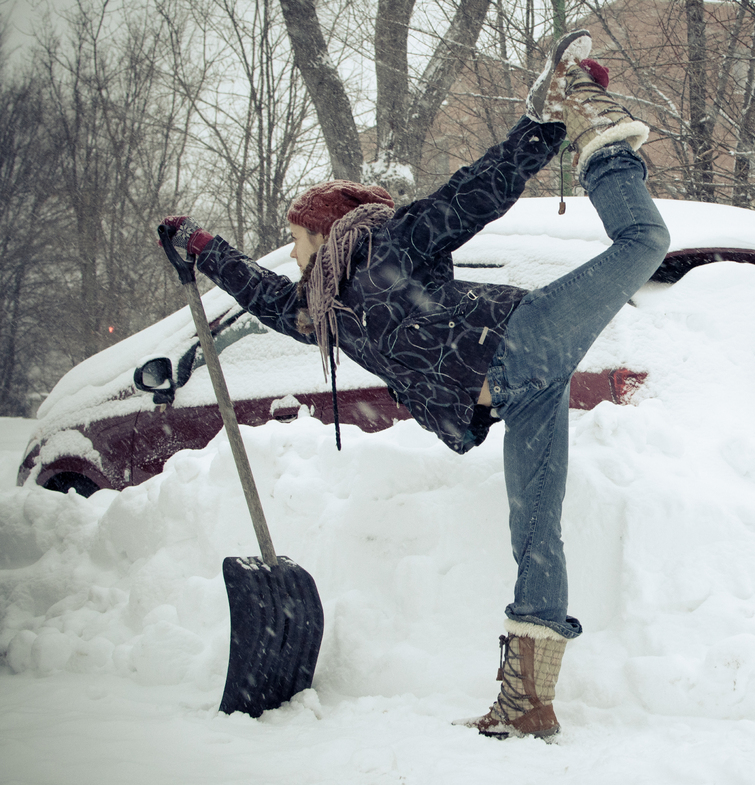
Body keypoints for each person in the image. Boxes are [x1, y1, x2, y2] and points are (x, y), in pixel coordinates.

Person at [160, 30, 669, 740]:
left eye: (299, 236)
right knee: (536, 534)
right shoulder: (326, 312)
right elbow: (268, 298)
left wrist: (541, 130)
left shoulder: (392, 240)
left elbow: (476, 193)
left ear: (325, 228)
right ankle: (526, 703)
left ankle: (601, 139)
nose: (295, 250)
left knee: (644, 243)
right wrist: (202, 248)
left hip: (524, 337)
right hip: (522, 390)